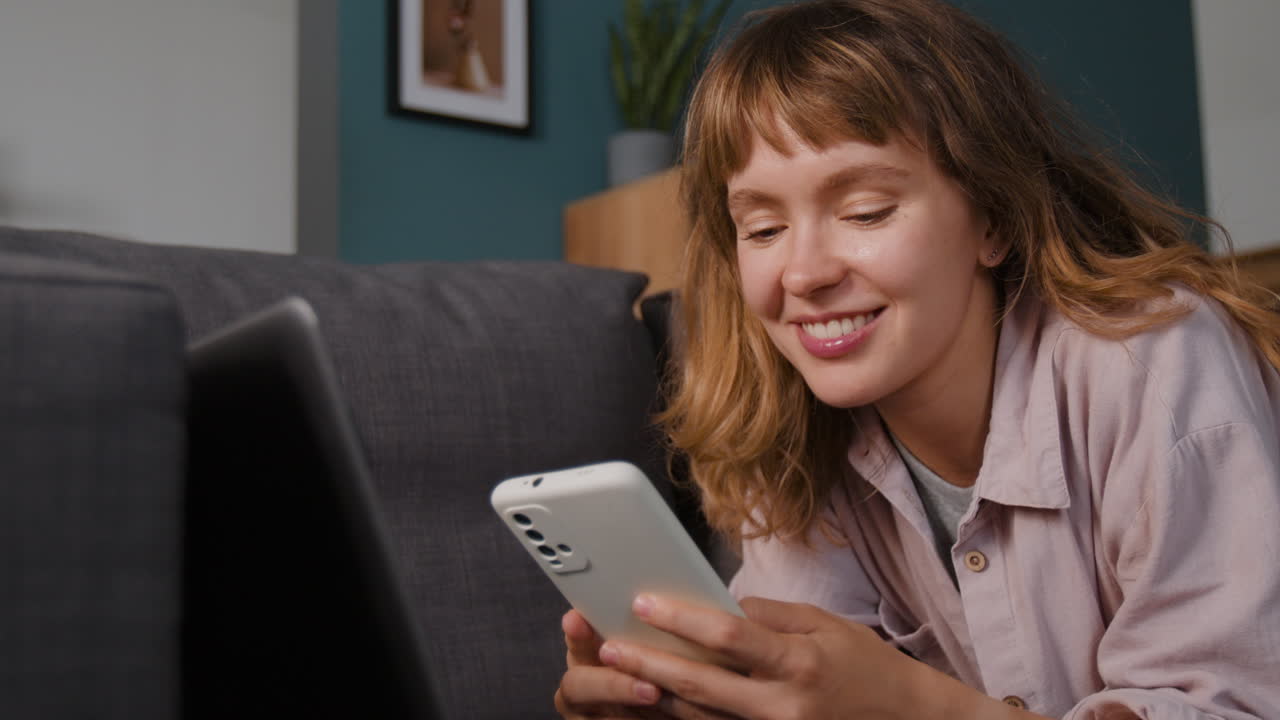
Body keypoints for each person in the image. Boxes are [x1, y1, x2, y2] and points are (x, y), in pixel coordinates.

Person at [556, 0, 1280, 718]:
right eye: (764, 227)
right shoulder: (793, 427)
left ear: (993, 218)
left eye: (865, 211)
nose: (802, 274)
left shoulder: (1153, 366)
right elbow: (796, 690)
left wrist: (914, 706)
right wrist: (678, 705)